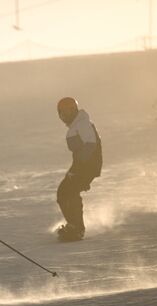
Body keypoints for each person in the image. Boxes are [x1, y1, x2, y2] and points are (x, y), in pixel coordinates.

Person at [55, 97, 102, 241]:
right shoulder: (77, 124)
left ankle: (76, 228)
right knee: (65, 192)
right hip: (82, 165)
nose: (65, 116)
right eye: (63, 113)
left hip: (87, 165)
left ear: (74, 110)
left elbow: (90, 145)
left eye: (69, 112)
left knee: (67, 192)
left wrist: (79, 169)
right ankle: (74, 225)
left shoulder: (82, 124)